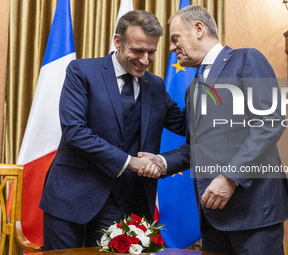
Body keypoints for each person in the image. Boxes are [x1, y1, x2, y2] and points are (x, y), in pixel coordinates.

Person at [138, 5, 288, 255]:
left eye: (175, 38)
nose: (171, 48)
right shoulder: (193, 89)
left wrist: (229, 178)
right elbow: (196, 147)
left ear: (198, 29)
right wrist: (161, 161)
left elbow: (269, 122)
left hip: (254, 214)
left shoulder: (246, 59)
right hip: (213, 217)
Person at [39, 10, 185, 251]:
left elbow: (185, 126)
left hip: (120, 203)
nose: (145, 60)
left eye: (151, 52)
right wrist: (129, 162)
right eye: (138, 51)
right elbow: (75, 132)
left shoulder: (156, 85)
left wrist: (206, 85)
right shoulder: (82, 71)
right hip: (69, 197)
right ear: (118, 41)